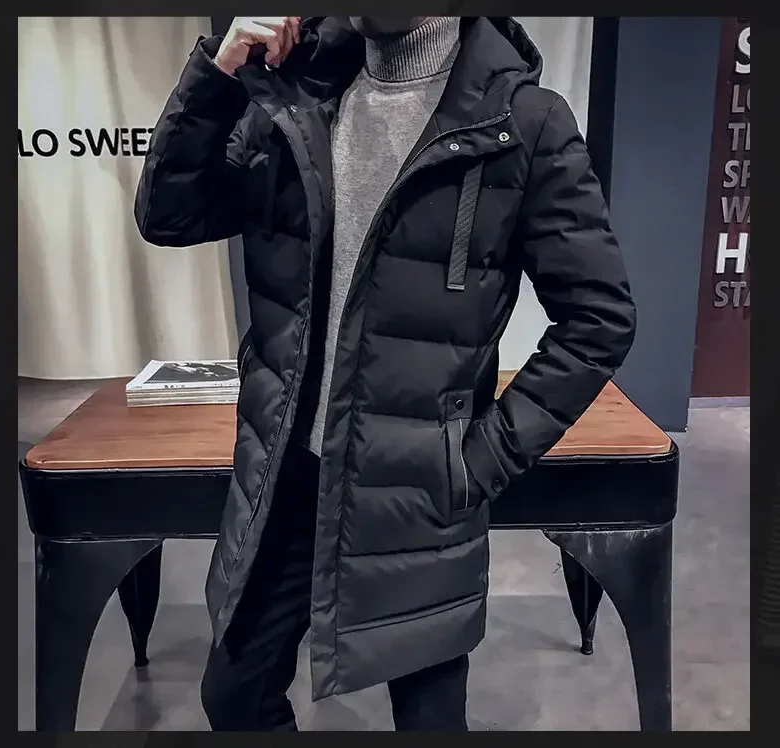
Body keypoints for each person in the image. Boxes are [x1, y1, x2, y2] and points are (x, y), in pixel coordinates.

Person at [135, 16, 637, 731]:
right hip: (290, 479)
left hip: (417, 491)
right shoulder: (297, 95)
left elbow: (599, 318)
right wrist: (218, 77)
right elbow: (169, 216)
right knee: (235, 695)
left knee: (428, 723)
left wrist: (480, 458)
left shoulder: (523, 124)